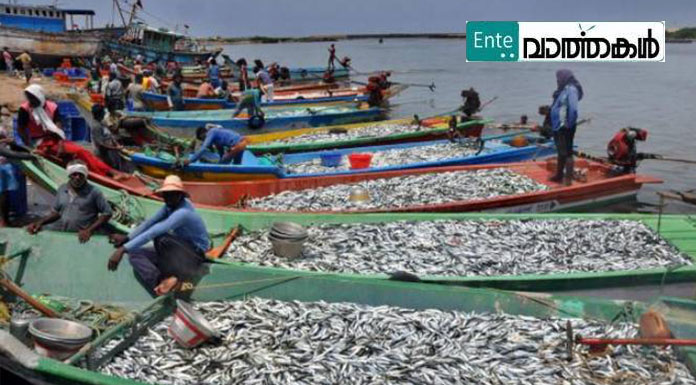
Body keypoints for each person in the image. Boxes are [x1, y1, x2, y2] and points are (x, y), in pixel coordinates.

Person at [107, 175, 210, 296]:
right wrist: (128, 238)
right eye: (166, 195)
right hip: (179, 252)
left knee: (162, 239)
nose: (169, 198)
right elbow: (150, 222)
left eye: (173, 194)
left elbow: (156, 230)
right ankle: (160, 283)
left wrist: (122, 249)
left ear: (180, 195)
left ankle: (177, 276)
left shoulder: (183, 213)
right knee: (135, 253)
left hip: (195, 255)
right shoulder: (169, 206)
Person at [26, 160, 112, 242]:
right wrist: (40, 222)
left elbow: (107, 213)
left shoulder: (94, 192)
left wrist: (89, 230)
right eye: (74, 174)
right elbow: (57, 213)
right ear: (69, 175)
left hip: (83, 237)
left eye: (80, 174)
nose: (77, 177)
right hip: (65, 233)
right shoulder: (62, 189)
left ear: (85, 175)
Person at [549, 69, 583, 185]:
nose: (557, 81)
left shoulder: (571, 89)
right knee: (561, 151)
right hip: (559, 126)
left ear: (564, 78)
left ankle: (567, 180)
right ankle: (559, 175)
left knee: (568, 153)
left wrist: (568, 124)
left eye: (558, 78)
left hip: (565, 127)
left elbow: (573, 109)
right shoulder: (563, 89)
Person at [0, 127, 34, 227]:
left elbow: (12, 147)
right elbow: (4, 151)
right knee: (1, 195)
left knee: (6, 194)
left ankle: (5, 219)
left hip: (6, 165)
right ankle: (2, 220)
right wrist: (29, 156)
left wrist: (13, 143)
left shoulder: (2, 128)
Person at [91, 104, 129, 172]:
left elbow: (110, 136)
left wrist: (117, 144)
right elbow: (101, 145)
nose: (105, 113)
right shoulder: (96, 127)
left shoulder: (103, 123)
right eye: (103, 112)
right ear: (99, 113)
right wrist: (115, 148)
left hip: (111, 153)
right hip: (102, 155)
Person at [184, 125, 248, 165]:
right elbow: (221, 151)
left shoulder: (211, 132)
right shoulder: (217, 137)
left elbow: (203, 148)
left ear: (202, 134)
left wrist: (190, 160)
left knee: (222, 164)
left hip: (237, 145)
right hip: (242, 142)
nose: (204, 140)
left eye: (203, 139)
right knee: (236, 165)